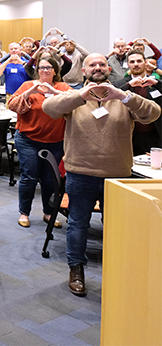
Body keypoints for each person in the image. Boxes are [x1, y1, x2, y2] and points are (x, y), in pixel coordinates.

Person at [42, 53, 160, 296]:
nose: (97, 67)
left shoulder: (124, 98)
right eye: (92, 65)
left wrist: (124, 96)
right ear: (84, 71)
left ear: (108, 69)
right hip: (80, 172)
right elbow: (49, 108)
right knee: (78, 224)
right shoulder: (74, 97)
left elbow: (154, 113)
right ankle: (76, 269)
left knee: (117, 226)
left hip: (117, 175)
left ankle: (118, 270)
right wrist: (79, 96)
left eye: (101, 64)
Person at [8, 56, 71, 229]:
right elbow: (12, 105)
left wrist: (54, 92)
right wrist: (31, 91)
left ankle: (49, 212)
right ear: (37, 70)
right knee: (29, 176)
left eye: (49, 67)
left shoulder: (63, 87)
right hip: (28, 140)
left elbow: (75, 100)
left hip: (55, 141)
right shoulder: (28, 85)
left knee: (50, 179)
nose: (45, 70)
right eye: (42, 67)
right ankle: (24, 212)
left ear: (55, 71)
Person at [115, 50, 162, 154]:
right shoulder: (119, 84)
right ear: (128, 64)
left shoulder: (156, 83)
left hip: (153, 134)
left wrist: (158, 84)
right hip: (129, 135)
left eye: (139, 61)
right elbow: (112, 97)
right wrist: (128, 85)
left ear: (145, 63)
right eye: (132, 62)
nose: (136, 64)